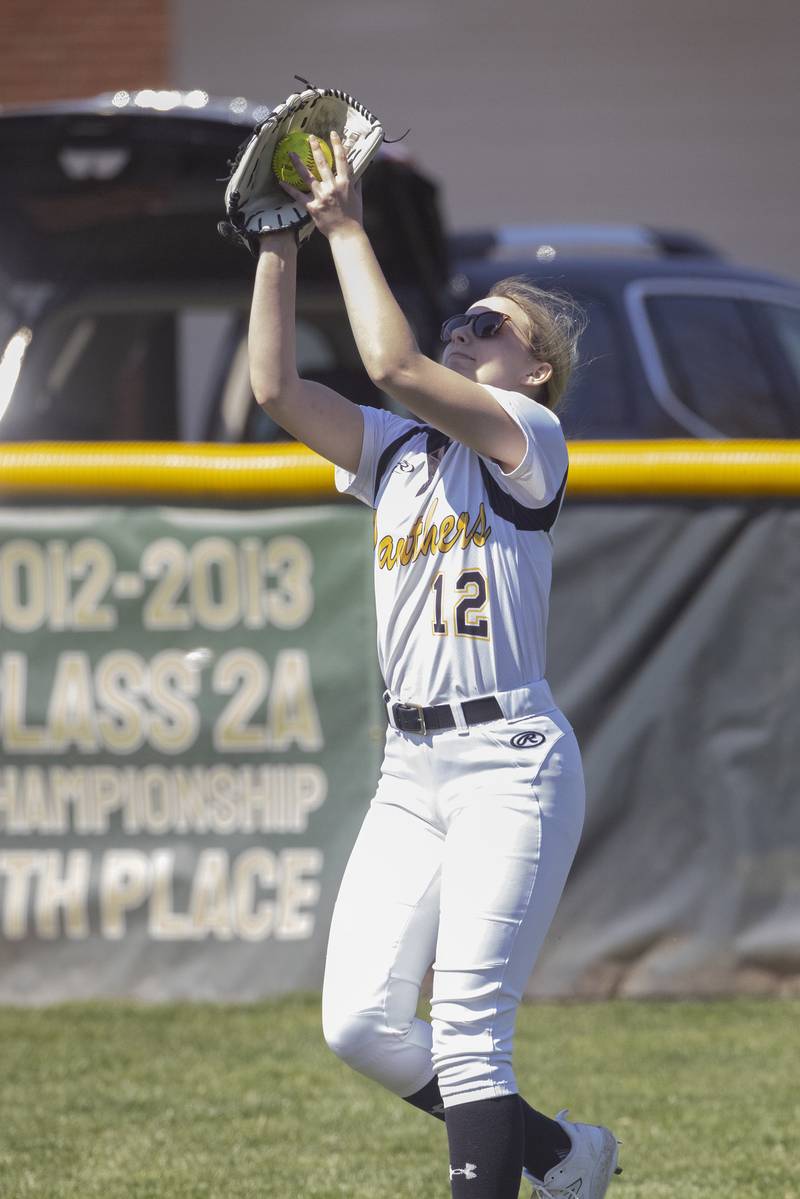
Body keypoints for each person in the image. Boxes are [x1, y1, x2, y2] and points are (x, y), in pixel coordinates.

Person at [247, 130, 620, 1199]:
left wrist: (346, 225)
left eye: (487, 326)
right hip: (409, 769)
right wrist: (278, 242)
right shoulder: (402, 451)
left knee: (464, 1030)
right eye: (460, 316)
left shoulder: (528, 436)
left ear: (533, 367)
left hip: (509, 759)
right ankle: (559, 1155)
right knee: (359, 1021)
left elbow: (390, 363)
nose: (463, 330)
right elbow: (276, 387)